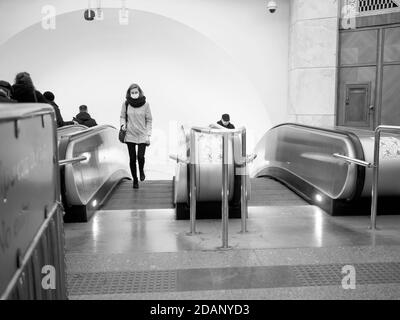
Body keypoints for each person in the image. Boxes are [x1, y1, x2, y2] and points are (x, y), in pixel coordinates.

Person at [120, 83, 152, 189]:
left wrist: (148, 134)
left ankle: (141, 170)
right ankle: (135, 180)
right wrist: (123, 124)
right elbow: (122, 116)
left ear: (139, 92)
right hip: (130, 134)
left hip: (142, 134)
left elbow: (149, 120)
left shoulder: (146, 105)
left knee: (140, 157)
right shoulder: (126, 104)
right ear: (129, 93)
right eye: (132, 92)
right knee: (132, 158)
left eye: (136, 92)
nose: (134, 94)